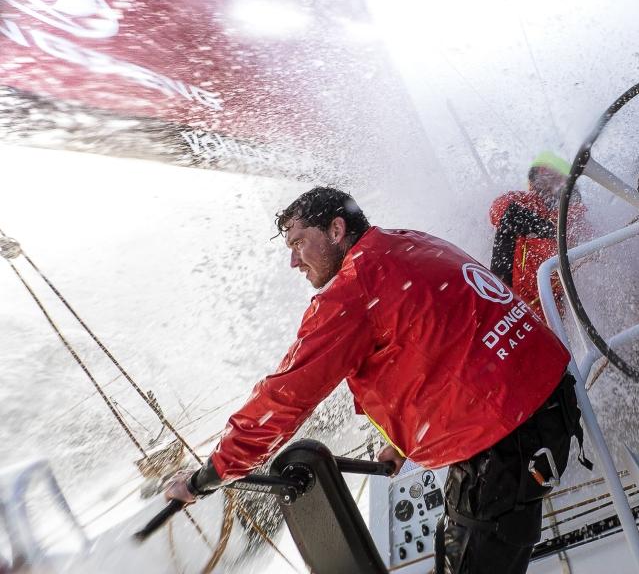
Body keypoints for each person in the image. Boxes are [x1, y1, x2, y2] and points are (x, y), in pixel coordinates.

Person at [165, 187, 588, 573]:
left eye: (297, 243)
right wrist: (402, 442)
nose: (292, 260)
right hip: (548, 406)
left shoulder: (352, 291)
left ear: (335, 229)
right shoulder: (407, 242)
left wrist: (211, 473)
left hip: (505, 442)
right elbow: (445, 346)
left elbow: (286, 396)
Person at [489, 152, 585, 315]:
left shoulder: (576, 219)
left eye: (552, 178)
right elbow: (500, 209)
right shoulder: (522, 202)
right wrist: (540, 225)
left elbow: (601, 244)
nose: (546, 185)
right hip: (511, 308)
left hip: (550, 313)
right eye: (541, 177)